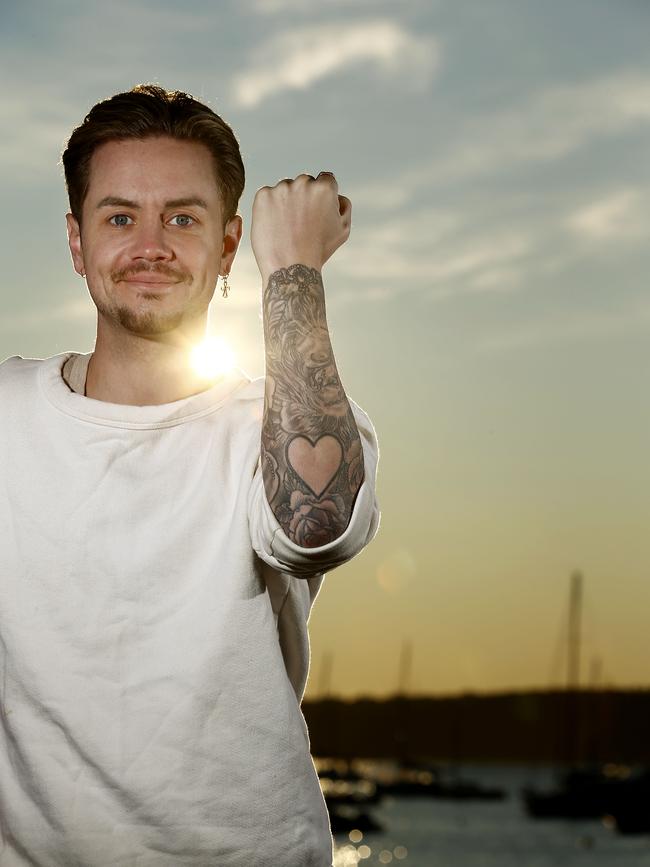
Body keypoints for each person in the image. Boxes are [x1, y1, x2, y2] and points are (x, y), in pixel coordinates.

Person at [0, 84, 380, 866]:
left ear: (229, 245)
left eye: (182, 217)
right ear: (76, 243)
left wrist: (296, 272)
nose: (151, 245)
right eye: (118, 217)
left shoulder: (286, 421)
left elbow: (315, 532)